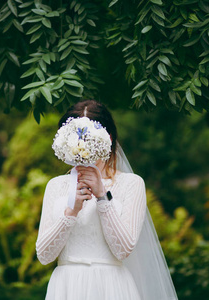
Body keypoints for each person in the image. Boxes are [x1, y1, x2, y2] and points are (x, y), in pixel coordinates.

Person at [36, 100, 178, 300]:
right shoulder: (56, 186)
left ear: (107, 138)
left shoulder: (131, 184)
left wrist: (103, 197)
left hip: (111, 287)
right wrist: (71, 211)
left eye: (88, 137)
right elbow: (44, 255)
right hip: (67, 287)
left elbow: (123, 250)